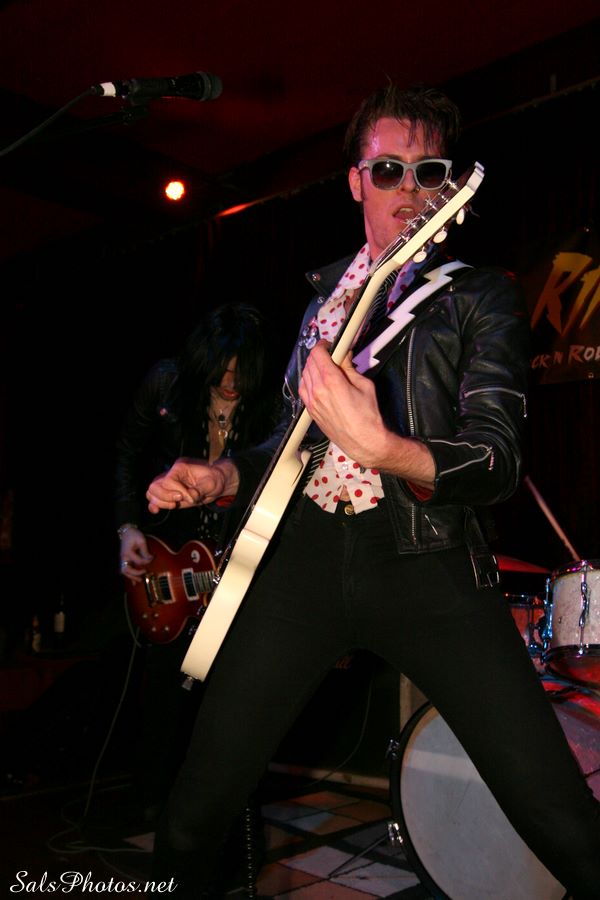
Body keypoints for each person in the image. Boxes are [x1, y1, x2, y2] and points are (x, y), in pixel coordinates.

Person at [145, 84, 600, 898]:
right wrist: (221, 474)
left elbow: (496, 461)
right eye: (388, 170)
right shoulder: (321, 303)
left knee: (560, 817)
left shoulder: (477, 295)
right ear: (356, 181)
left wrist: (386, 449)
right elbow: (287, 445)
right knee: (192, 812)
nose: (409, 188)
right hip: (304, 564)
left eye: (430, 171)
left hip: (427, 563)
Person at [114, 301, 279, 820]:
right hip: (171, 558)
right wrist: (127, 528)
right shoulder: (167, 384)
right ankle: (151, 800)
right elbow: (127, 453)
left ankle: (214, 807)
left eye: (240, 373)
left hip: (232, 558)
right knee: (163, 687)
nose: (230, 384)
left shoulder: (270, 406)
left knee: (229, 690)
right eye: (221, 372)